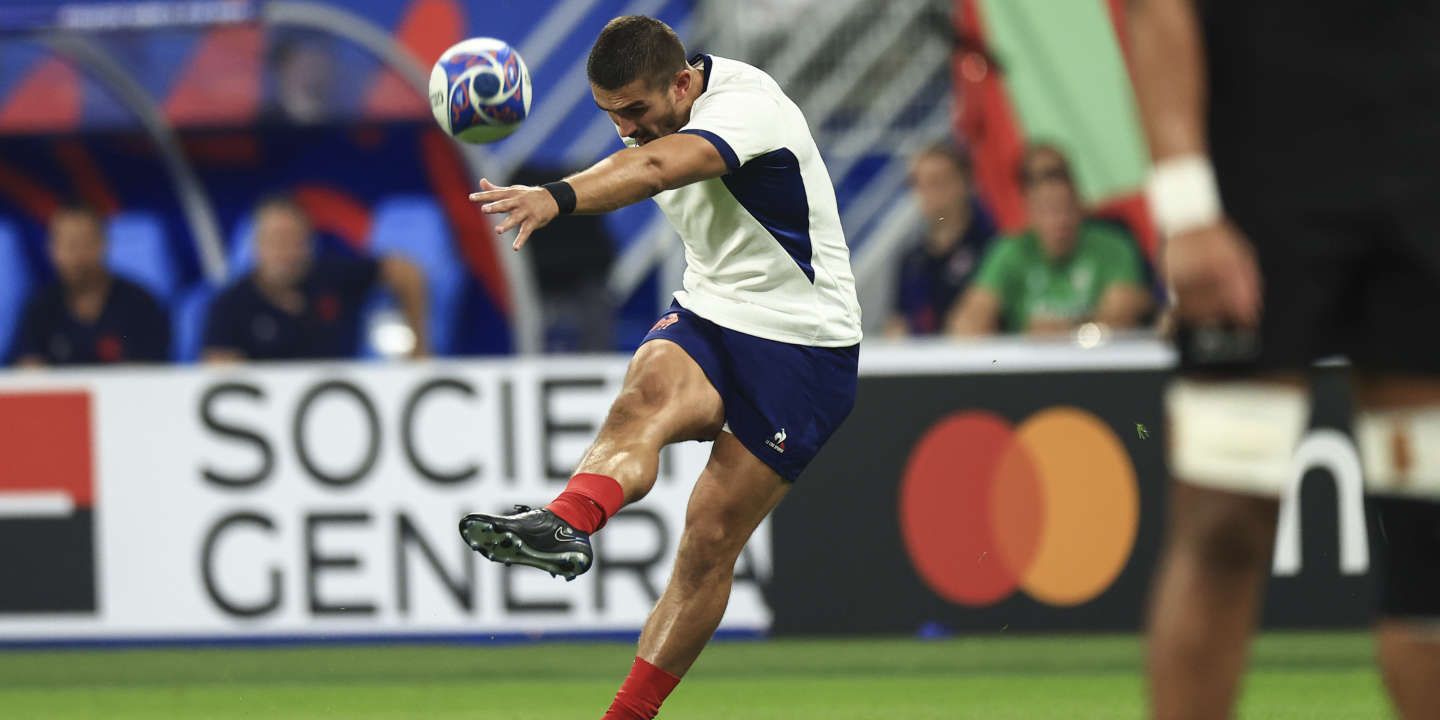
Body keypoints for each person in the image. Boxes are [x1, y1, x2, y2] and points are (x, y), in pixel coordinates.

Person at [457, 16, 862, 720]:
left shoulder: (746, 105)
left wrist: (554, 196)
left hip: (805, 345)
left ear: (682, 83)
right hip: (711, 310)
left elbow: (653, 168)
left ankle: (629, 715)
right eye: (609, 115)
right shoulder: (653, 111)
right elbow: (638, 147)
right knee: (641, 400)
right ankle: (568, 519)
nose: (625, 130)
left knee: (708, 539)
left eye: (635, 111)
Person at [1130, 1, 1440, 718]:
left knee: (1432, 532)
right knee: (1224, 515)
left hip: (1424, 157)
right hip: (1259, 163)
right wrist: (1186, 203)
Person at [948, 144, 1152, 336]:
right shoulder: (1009, 251)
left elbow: (1120, 317)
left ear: (1080, 206)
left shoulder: (1112, 245)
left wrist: (1068, 332)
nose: (1059, 221)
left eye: (1066, 209)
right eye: (1048, 211)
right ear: (1030, 213)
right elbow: (968, 321)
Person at [202, 195, 428, 362]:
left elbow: (405, 271)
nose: (283, 250)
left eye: (292, 240)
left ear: (309, 244)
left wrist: (418, 347)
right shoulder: (231, 303)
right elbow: (218, 369)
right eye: (275, 240)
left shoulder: (333, 277)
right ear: (256, 245)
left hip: (343, 398)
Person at [13, 202, 170, 366]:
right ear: (52, 250)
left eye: (86, 243)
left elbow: (153, 372)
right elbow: (26, 365)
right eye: (69, 245)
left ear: (104, 244)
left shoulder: (140, 304)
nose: (78, 256)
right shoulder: (39, 307)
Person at [886, 143, 996, 337]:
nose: (927, 193)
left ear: (965, 183)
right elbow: (898, 323)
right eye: (918, 183)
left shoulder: (992, 247)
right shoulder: (911, 258)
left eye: (937, 182)